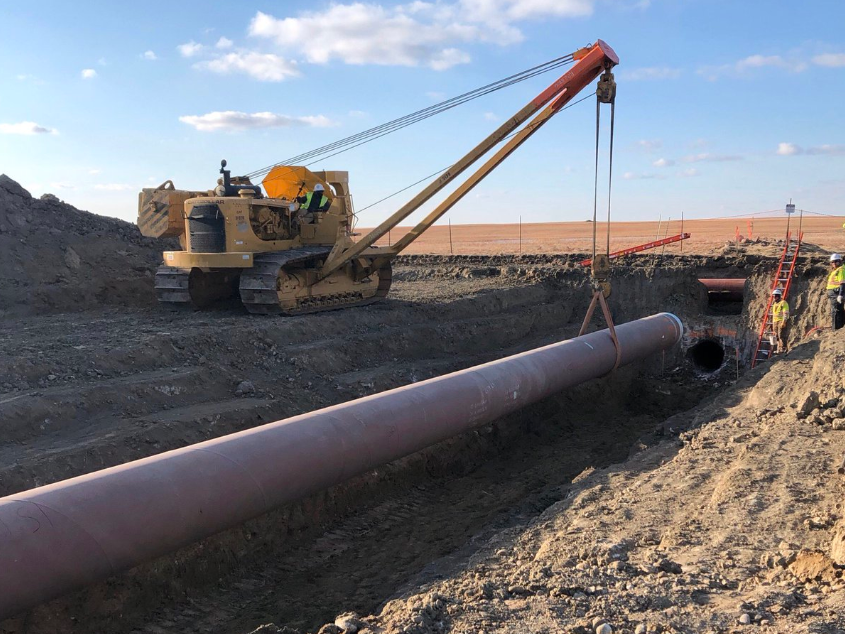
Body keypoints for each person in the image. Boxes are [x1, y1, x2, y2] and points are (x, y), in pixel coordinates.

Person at [827, 253, 845, 330]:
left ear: (839, 261)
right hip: (834, 293)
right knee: (838, 310)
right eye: (832, 262)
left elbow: (842, 283)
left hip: (836, 293)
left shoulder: (841, 270)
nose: (834, 263)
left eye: (835, 261)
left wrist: (840, 294)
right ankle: (839, 327)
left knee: (836, 311)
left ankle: (836, 328)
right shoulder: (836, 270)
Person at [771, 288, 789, 354]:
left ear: (779, 296)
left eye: (776, 296)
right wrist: (773, 323)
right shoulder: (775, 304)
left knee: (781, 334)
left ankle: (783, 348)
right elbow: (774, 314)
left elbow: (786, 312)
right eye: (774, 296)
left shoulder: (783, 303)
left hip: (781, 321)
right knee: (776, 336)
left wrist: (784, 321)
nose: (774, 297)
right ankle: (779, 349)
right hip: (775, 321)